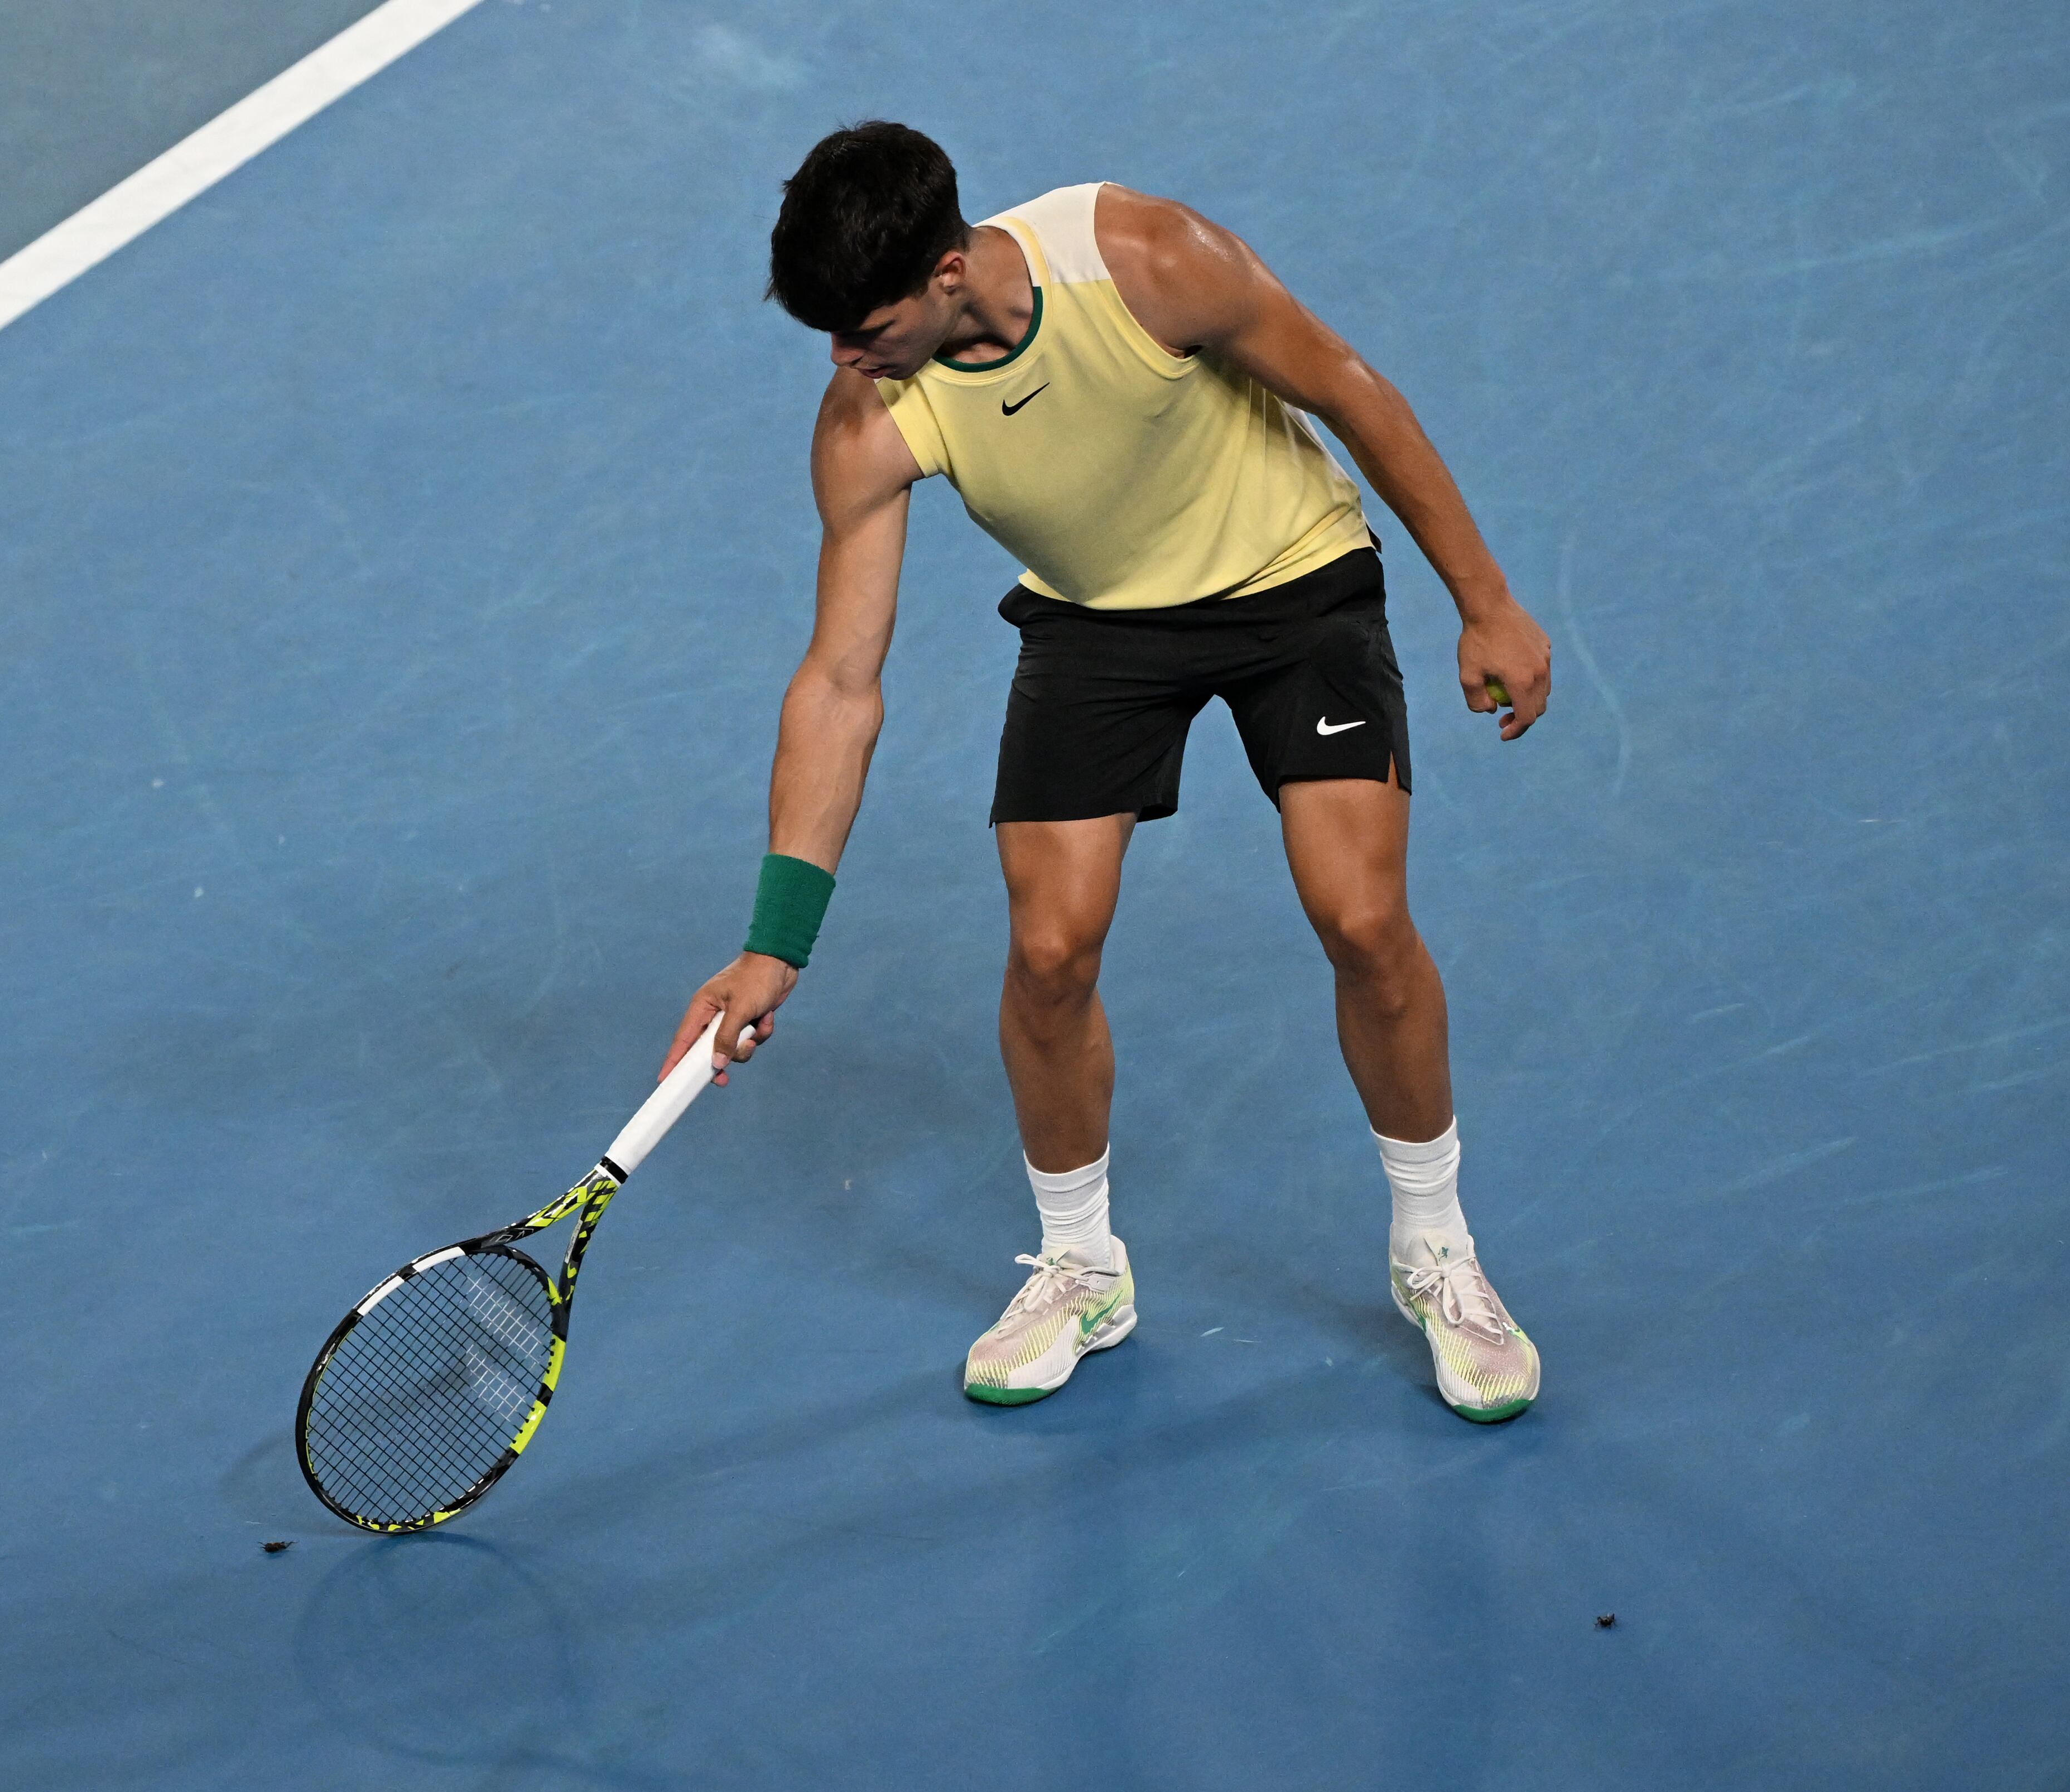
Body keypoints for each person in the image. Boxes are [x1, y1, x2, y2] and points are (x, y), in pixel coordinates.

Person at [663, 122, 1549, 1422]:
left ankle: (1435, 1247)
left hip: (1291, 583)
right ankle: (1080, 1261)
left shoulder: (1143, 259)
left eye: (864, 325)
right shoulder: (869, 417)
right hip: (1096, 623)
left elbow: (1351, 391)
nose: (844, 361)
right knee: (1049, 951)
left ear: (949, 270)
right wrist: (775, 941)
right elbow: (838, 684)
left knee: (1360, 917)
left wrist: (1486, 600)